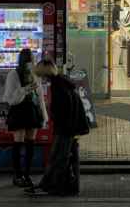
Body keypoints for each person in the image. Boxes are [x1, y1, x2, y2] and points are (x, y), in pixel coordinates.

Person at [28, 60, 90, 196]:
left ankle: (53, 187)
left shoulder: (58, 86)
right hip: (69, 128)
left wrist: (52, 112)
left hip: (65, 129)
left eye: (42, 75)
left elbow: (63, 109)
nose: (42, 79)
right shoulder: (61, 81)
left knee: (59, 158)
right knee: (60, 157)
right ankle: (52, 185)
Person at [3, 49, 48, 187]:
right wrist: (27, 88)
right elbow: (11, 99)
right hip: (19, 110)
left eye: (32, 59)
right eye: (29, 59)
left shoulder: (34, 74)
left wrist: (45, 115)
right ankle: (18, 175)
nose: (31, 62)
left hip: (32, 110)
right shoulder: (13, 74)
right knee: (18, 143)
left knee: (30, 144)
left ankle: (27, 175)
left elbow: (40, 96)